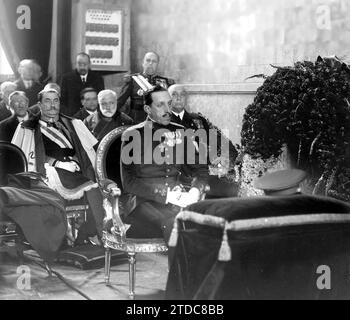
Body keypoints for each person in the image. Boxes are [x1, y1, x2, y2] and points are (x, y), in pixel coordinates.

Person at [12, 87, 105, 246]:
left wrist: (75, 162)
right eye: (47, 101)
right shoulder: (27, 127)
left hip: (75, 171)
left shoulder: (73, 123)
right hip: (44, 173)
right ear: (39, 105)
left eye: (55, 100)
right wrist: (55, 163)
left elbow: (88, 151)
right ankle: (58, 240)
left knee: (98, 193)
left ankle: (90, 233)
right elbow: (20, 158)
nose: (52, 105)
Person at [118, 86, 209, 243]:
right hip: (142, 203)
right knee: (175, 225)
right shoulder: (134, 135)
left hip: (179, 199)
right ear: (147, 108)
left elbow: (201, 169)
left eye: (169, 103)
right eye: (160, 105)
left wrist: (195, 191)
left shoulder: (181, 131)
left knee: (210, 221)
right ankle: (183, 268)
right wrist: (167, 196)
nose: (168, 109)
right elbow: (129, 183)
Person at [168, 84, 239, 198]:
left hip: (203, 173)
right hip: (177, 177)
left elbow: (222, 140)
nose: (178, 98)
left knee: (230, 191)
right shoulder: (162, 122)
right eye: (174, 95)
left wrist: (226, 159)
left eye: (182, 95)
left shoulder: (198, 119)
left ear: (187, 98)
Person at [117, 52, 175, 123]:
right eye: (148, 60)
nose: (150, 63)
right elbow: (119, 102)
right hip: (137, 122)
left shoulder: (166, 82)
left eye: (154, 61)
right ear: (143, 63)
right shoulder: (133, 80)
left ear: (157, 65)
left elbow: (173, 105)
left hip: (158, 122)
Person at [60, 52, 105, 116]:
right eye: (79, 64)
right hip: (73, 117)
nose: (82, 67)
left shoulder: (98, 78)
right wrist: (69, 116)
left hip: (93, 117)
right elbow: (62, 101)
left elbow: (101, 99)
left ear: (89, 64)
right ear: (75, 64)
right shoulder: (67, 78)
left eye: (85, 64)